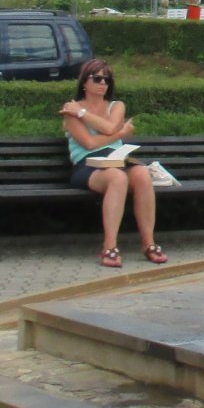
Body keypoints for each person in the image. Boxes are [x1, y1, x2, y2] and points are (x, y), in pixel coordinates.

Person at [60, 57, 166, 267]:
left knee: (142, 174)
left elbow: (109, 128)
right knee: (117, 178)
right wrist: (120, 132)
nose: (103, 84)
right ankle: (109, 247)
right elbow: (89, 143)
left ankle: (148, 243)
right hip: (88, 164)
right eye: (97, 78)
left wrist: (83, 114)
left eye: (107, 80)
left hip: (118, 158)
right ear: (84, 82)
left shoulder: (115, 106)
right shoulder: (69, 112)